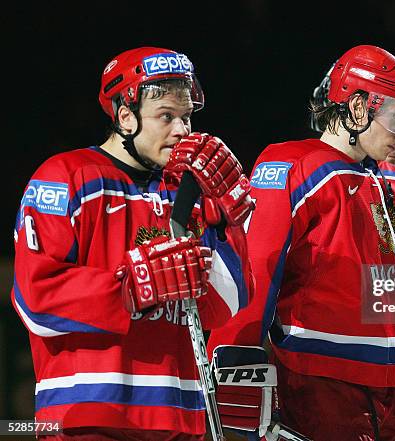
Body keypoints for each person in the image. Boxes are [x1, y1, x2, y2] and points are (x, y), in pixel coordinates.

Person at [207, 44, 395, 441]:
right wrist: (234, 357)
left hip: (388, 393)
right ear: (358, 107)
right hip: (314, 389)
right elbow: (254, 268)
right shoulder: (292, 165)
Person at [12, 46, 255, 440]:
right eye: (166, 116)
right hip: (88, 417)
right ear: (125, 116)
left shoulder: (186, 193)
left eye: (187, 117)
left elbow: (225, 304)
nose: (183, 130)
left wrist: (228, 221)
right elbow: (34, 299)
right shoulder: (65, 177)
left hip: (180, 420)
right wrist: (131, 287)